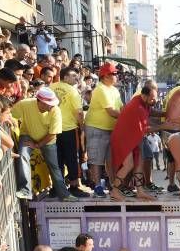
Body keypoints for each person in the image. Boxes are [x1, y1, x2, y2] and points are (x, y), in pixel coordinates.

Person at [11, 87, 77, 202]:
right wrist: (7, 119)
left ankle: (64, 194)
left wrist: (37, 145)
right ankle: (25, 190)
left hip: (48, 139)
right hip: (27, 135)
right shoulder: (25, 104)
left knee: (54, 166)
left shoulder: (55, 110)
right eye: (48, 103)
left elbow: (52, 134)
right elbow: (10, 113)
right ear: (39, 101)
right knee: (23, 156)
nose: (51, 106)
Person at [109, 79, 161, 201]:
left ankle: (140, 191)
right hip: (124, 138)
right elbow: (146, 129)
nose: (155, 100)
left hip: (132, 137)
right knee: (129, 165)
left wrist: (166, 114)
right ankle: (115, 191)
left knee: (139, 163)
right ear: (144, 95)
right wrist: (165, 126)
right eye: (153, 98)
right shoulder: (138, 107)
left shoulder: (144, 102)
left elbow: (151, 113)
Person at [85, 63, 123, 197]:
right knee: (97, 159)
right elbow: (112, 112)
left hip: (110, 129)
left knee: (110, 159)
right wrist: (128, 116)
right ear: (105, 76)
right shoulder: (100, 89)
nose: (117, 76)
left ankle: (113, 186)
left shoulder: (114, 90)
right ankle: (97, 187)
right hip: (96, 128)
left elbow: (121, 109)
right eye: (114, 74)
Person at [50, 66, 87, 197]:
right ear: (65, 77)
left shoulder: (50, 87)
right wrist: (82, 127)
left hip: (52, 130)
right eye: (73, 75)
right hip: (69, 129)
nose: (76, 78)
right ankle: (74, 186)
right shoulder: (72, 91)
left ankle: (57, 188)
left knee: (57, 159)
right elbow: (79, 112)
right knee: (72, 158)